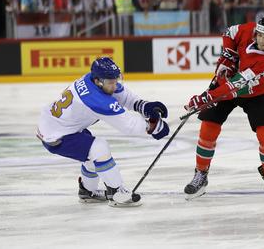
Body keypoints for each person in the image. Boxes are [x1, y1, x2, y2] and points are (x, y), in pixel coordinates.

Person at [184, 15, 264, 200]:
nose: (261, 39)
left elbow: (235, 86)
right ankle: (201, 174)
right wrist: (228, 53)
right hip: (228, 85)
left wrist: (207, 97)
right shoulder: (249, 30)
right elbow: (229, 32)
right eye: (259, 35)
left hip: (255, 93)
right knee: (208, 127)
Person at [37, 57, 169, 207]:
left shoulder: (93, 80)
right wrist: (153, 126)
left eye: (115, 80)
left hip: (59, 125)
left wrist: (143, 105)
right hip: (56, 135)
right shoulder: (95, 99)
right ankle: (116, 193)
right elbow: (128, 125)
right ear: (98, 81)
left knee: (91, 155)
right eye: (110, 82)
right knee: (99, 148)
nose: (114, 85)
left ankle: (87, 192)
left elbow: (122, 94)